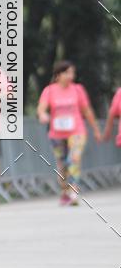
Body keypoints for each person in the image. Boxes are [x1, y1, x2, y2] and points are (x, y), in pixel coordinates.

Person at [37, 60, 102, 205]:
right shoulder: (49, 90)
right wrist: (42, 115)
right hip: (57, 134)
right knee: (62, 165)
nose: (71, 76)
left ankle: (74, 190)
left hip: (77, 131)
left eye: (72, 73)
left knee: (74, 159)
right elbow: (41, 108)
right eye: (67, 73)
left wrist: (96, 130)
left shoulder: (77, 89)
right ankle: (64, 191)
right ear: (58, 75)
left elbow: (87, 111)